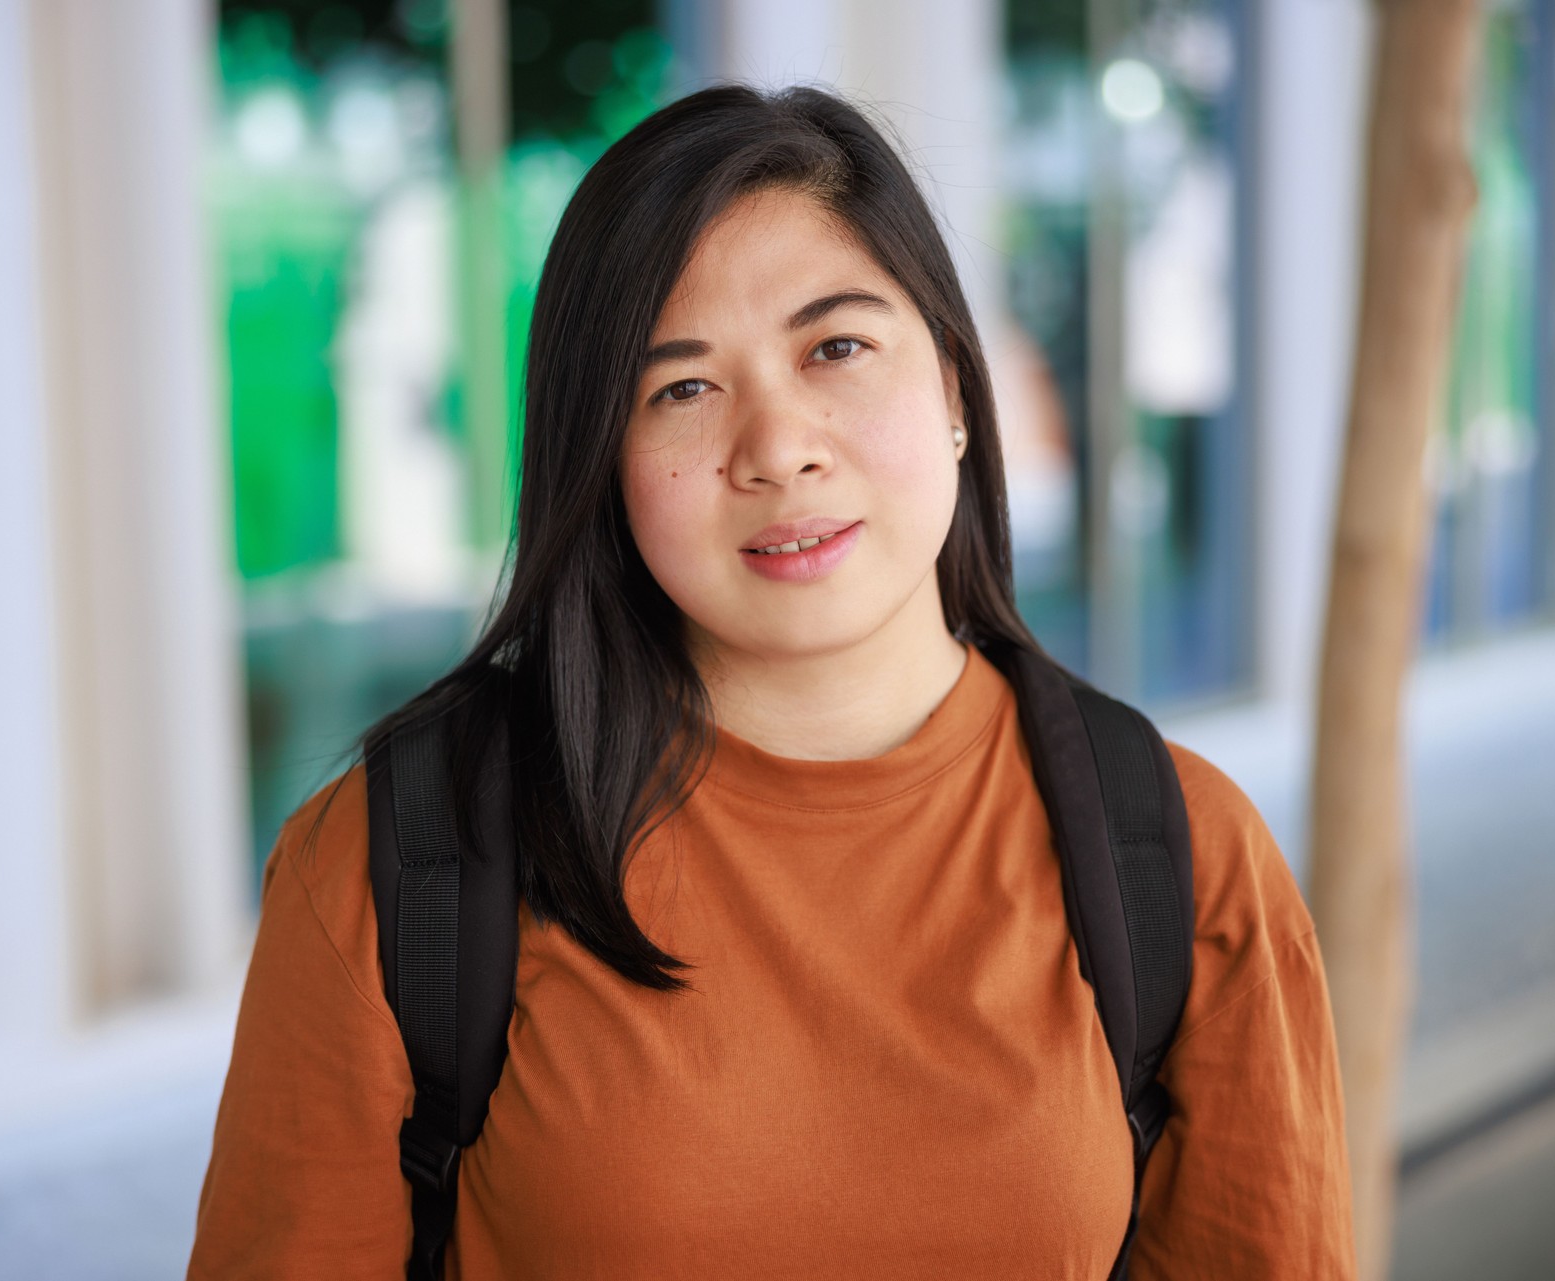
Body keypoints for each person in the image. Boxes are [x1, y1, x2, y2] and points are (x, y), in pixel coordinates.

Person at [188, 82, 1356, 1279]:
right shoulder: (400, 864)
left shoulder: (1178, 857)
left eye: (837, 347)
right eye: (683, 387)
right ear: (601, 453)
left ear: (956, 390)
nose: (779, 447)